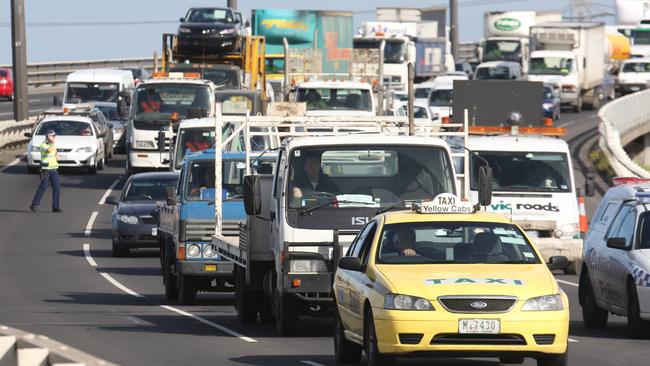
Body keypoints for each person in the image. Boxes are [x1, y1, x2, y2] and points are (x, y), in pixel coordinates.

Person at [30, 130, 62, 212]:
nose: (55, 138)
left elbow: (56, 156)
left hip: (54, 169)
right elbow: (49, 150)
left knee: (56, 188)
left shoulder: (53, 145)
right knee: (43, 187)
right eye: (53, 136)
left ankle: (55, 207)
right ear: (49, 137)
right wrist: (53, 143)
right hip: (46, 170)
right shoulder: (43, 145)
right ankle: (34, 204)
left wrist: (57, 156)